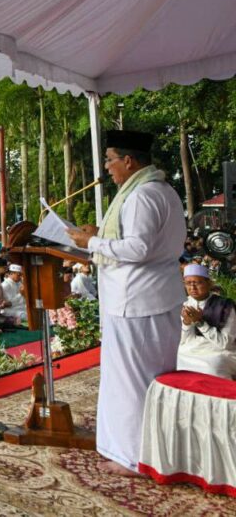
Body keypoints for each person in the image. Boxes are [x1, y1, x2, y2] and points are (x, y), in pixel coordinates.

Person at [66, 130, 186, 476]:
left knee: (133, 383)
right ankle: (152, 452)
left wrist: (92, 243)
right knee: (153, 379)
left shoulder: (142, 195)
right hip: (154, 297)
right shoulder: (163, 190)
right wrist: (98, 235)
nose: (107, 167)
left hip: (135, 302)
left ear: (129, 161)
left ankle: (134, 457)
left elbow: (138, 248)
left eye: (110, 160)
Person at [177, 264, 236, 379]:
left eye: (197, 282)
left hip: (218, 351)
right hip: (191, 349)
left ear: (209, 283)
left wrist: (200, 323)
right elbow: (183, 341)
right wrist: (187, 324)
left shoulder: (225, 306)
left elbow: (225, 344)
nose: (192, 288)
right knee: (175, 361)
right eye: (188, 283)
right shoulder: (184, 304)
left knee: (213, 366)